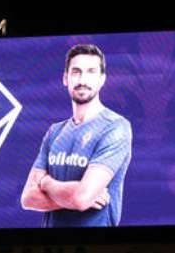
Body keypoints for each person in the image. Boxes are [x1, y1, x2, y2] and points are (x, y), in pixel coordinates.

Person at [20, 44, 132, 226]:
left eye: (91, 72)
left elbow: (82, 198)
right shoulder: (54, 132)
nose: (82, 80)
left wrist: (46, 182)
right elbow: (27, 198)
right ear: (65, 78)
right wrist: (74, 197)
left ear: (102, 79)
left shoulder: (115, 127)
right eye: (76, 72)